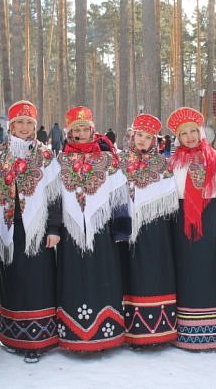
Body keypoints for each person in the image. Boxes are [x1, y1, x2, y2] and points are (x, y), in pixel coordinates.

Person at [0, 101, 62, 363]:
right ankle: (10, 335)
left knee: (36, 280)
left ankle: (37, 339)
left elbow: (55, 195)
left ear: (35, 125)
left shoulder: (45, 155)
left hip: (37, 228)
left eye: (29, 122)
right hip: (7, 228)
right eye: (19, 122)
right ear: (11, 125)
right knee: (12, 278)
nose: (24, 127)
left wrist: (54, 229)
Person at [55, 106, 131, 351]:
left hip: (102, 229)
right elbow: (54, 195)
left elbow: (120, 194)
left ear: (92, 129)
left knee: (103, 275)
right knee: (74, 276)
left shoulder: (107, 158)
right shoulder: (60, 159)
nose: (81, 133)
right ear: (70, 132)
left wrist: (121, 229)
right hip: (71, 230)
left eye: (84, 128)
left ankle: (107, 331)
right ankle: (73, 333)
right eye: (76, 129)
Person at [166, 107, 216, 351]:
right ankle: (184, 331)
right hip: (181, 222)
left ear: (202, 132)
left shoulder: (214, 158)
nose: (190, 137)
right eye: (184, 134)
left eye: (194, 131)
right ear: (178, 138)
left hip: (209, 219)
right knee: (185, 274)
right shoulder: (173, 162)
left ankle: (213, 333)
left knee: (209, 273)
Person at [118, 114, 178, 346]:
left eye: (147, 137)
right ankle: (129, 328)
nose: (142, 140)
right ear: (132, 136)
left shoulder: (163, 163)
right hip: (126, 226)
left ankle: (157, 329)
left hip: (154, 229)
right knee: (128, 274)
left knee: (152, 273)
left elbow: (169, 197)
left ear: (155, 140)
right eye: (138, 135)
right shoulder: (119, 162)